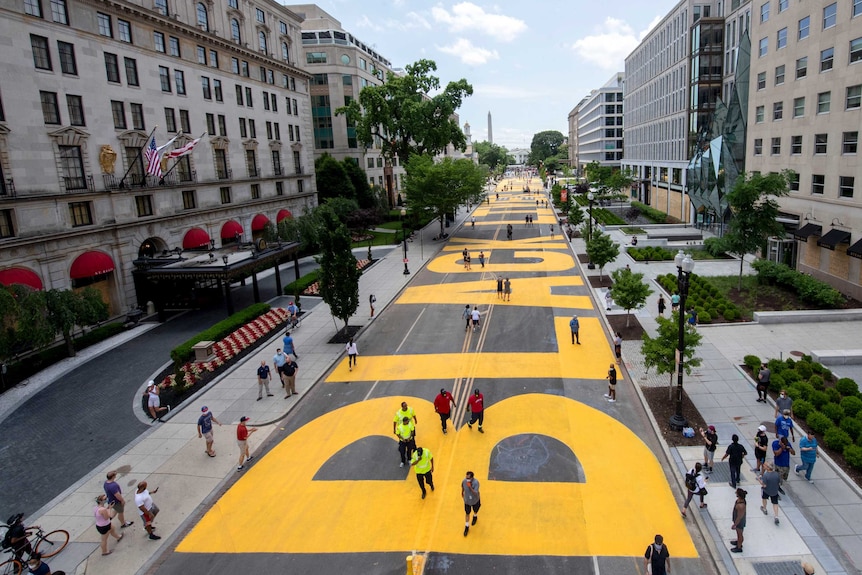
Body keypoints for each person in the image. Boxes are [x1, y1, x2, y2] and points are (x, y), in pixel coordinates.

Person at [462, 471, 481, 536]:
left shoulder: (476, 483)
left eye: (468, 478)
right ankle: (467, 526)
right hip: (467, 501)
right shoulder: (464, 481)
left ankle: (475, 516)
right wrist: (462, 492)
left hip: (475, 500)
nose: (467, 479)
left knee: (476, 510)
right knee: (467, 513)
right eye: (466, 477)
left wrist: (470, 487)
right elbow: (462, 486)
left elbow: (475, 493)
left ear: (472, 478)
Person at [730, 488, 747, 553]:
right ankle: (738, 541)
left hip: (740, 522)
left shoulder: (741, 505)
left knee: (740, 534)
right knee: (738, 533)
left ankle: (739, 547)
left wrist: (735, 524)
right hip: (737, 520)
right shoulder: (739, 501)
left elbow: (740, 517)